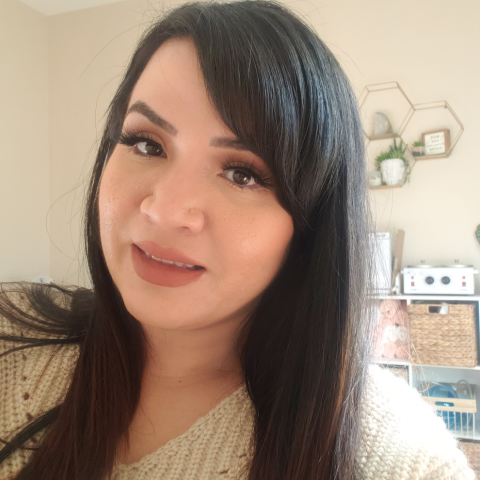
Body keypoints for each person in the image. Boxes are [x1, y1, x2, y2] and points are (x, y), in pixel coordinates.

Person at [0, 1, 475, 479]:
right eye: (147, 144)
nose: (164, 211)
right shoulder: (12, 345)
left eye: (242, 174)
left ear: (309, 227)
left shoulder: (403, 459)